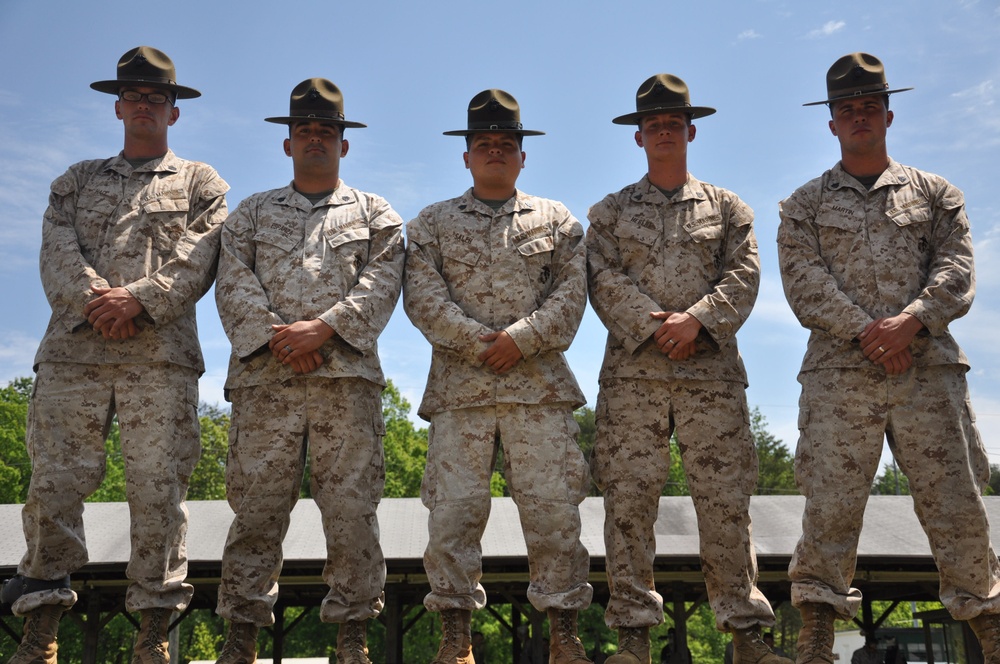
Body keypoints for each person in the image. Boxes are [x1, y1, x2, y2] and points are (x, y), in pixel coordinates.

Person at [0, 46, 228, 664]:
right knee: (54, 486)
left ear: (173, 112)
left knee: (158, 492)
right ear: (118, 106)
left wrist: (139, 301)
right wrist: (99, 301)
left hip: (159, 358)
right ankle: (41, 626)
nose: (145, 106)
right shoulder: (74, 181)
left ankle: (153, 628)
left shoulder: (202, 183)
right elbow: (57, 255)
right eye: (135, 96)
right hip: (74, 356)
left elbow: (200, 258)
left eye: (158, 98)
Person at [778, 52, 1000, 664]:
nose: (858, 117)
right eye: (846, 109)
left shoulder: (937, 194)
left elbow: (957, 268)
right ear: (831, 123)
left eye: (868, 106)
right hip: (839, 376)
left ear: (888, 114)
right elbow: (802, 281)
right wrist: (868, 333)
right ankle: (819, 624)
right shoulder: (803, 205)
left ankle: (989, 620)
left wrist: (912, 323)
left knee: (956, 502)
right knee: (830, 502)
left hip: (928, 372)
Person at [585, 73, 792, 664]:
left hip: (712, 378)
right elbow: (600, 279)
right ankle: (632, 639)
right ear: (639, 136)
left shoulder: (729, 208)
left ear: (691, 130)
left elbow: (744, 276)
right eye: (654, 125)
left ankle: (747, 637)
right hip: (633, 378)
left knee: (725, 503)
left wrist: (695, 321)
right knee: (628, 506)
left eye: (673, 123)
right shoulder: (610, 212)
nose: (664, 132)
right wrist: (656, 327)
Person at [211, 78, 404, 664]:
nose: (316, 138)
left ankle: (353, 638)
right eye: (305, 130)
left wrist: (323, 330)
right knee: (256, 512)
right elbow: (232, 282)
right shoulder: (249, 214)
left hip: (345, 387)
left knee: (350, 512)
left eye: (328, 130)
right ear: (287, 143)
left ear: (344, 144)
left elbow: (383, 282)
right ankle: (241, 634)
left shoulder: (377, 215)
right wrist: (282, 339)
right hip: (266, 386)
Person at [404, 89, 593, 664]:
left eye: (505, 144)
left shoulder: (557, 220)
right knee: (453, 516)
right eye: (483, 144)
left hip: (537, 392)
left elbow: (572, 295)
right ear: (465, 155)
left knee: (555, 513)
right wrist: (476, 342)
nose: (495, 152)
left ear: (522, 155)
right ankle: (456, 635)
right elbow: (422, 297)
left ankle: (564, 632)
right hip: (462, 395)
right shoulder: (431, 225)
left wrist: (522, 340)